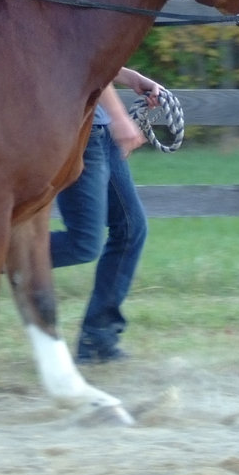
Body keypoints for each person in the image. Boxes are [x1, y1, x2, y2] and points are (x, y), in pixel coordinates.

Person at [50, 66, 161, 364]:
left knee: (131, 229)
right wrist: (120, 119)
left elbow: (99, 54)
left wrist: (130, 77)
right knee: (83, 244)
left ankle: (98, 338)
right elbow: (86, 60)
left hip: (98, 127)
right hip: (80, 128)